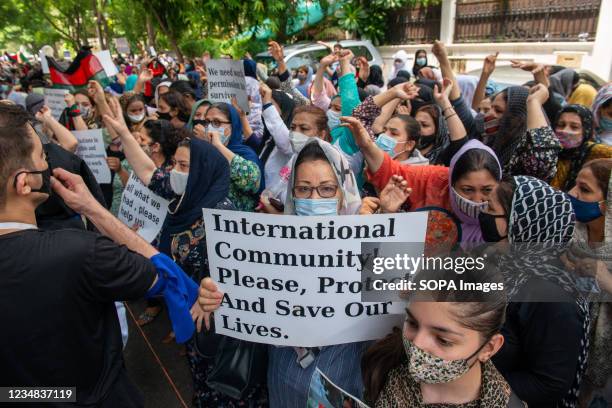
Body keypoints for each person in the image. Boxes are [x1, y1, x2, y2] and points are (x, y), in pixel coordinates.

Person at [0, 103, 198, 407]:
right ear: (24, 182)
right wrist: (92, 207)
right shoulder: (79, 253)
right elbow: (169, 279)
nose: (50, 164)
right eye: (42, 156)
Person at [199, 138, 365, 408]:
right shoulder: (262, 250)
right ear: (291, 193)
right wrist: (214, 300)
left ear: (343, 191)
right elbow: (235, 316)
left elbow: (392, 325)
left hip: (343, 383)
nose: (314, 199)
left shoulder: (371, 244)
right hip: (283, 382)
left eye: (326, 189)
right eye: (303, 189)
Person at [482, 175, 590, 407]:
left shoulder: (553, 298)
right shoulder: (498, 260)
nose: (483, 215)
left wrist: (470, 384)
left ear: (521, 223)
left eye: (491, 209)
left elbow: (548, 384)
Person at [361, 298, 524, 407]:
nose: (417, 344)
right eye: (413, 323)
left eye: (443, 340)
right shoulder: (386, 361)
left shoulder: (504, 403)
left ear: (488, 348)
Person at [565, 159, 612, 407]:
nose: (572, 194)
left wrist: (605, 280)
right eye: (575, 185)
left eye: (584, 189)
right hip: (568, 335)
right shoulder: (568, 229)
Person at [203, 102, 264, 211]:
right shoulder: (204, 152)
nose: (210, 128)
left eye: (217, 122)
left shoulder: (245, 153)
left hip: (236, 223)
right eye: (207, 122)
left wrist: (219, 146)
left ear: (233, 125)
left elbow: (252, 181)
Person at [550, 104, 612, 191]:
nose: (565, 131)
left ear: (586, 130)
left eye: (574, 127)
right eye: (561, 125)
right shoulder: (549, 151)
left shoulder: (596, 151)